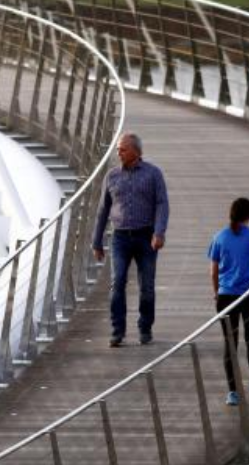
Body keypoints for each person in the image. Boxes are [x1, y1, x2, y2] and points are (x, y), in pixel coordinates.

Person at [92, 133, 170, 347]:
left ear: (136, 152)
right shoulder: (111, 176)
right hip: (120, 237)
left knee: (147, 286)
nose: (118, 153)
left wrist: (159, 233)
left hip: (147, 237)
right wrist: (96, 242)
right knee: (117, 283)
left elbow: (162, 204)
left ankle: (145, 328)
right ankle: (118, 331)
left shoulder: (153, 174)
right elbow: (102, 210)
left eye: (123, 149)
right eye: (118, 149)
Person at [208, 197, 249, 406]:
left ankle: (233, 392)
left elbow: (213, 272)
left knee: (230, 343)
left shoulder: (218, 238)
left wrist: (217, 292)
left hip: (226, 297)